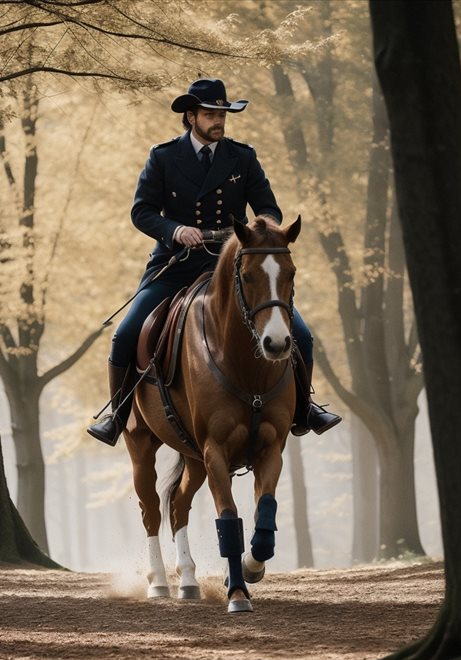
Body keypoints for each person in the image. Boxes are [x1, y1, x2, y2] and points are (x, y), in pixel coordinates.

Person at [88, 78, 341, 446]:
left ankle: (306, 408)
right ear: (191, 117)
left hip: (237, 269)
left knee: (300, 333)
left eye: (222, 114)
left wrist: (257, 231)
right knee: (125, 334)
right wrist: (175, 231)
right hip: (176, 264)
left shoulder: (242, 156)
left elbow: (268, 207)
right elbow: (141, 211)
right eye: (210, 114)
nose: (218, 121)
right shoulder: (163, 157)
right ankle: (117, 413)